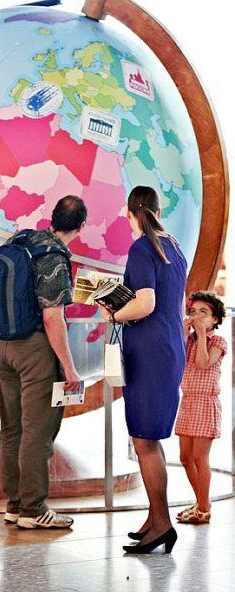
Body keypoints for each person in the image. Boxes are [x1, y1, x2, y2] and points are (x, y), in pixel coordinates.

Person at [99, 185, 187, 554]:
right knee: (150, 439)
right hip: (169, 346)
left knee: (143, 440)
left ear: (129, 211)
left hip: (149, 351)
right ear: (157, 209)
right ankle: (155, 517)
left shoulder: (141, 247)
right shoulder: (173, 247)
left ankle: (163, 525)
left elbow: (146, 302)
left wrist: (113, 312)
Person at [0, 195, 87, 529]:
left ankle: (15, 505)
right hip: (33, 349)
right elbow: (52, 318)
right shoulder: (54, 257)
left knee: (13, 428)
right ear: (81, 226)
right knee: (37, 431)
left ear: (53, 217)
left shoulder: (21, 240)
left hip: (2, 345)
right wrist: (70, 368)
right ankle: (34, 511)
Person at [175, 291, 227, 525]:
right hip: (187, 401)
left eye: (203, 313)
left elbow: (203, 363)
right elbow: (176, 362)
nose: (196, 316)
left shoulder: (218, 341)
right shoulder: (190, 341)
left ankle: (204, 508)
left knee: (199, 457)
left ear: (215, 319)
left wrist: (202, 336)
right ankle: (200, 503)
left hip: (206, 402)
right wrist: (185, 335)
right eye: (193, 311)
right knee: (185, 457)